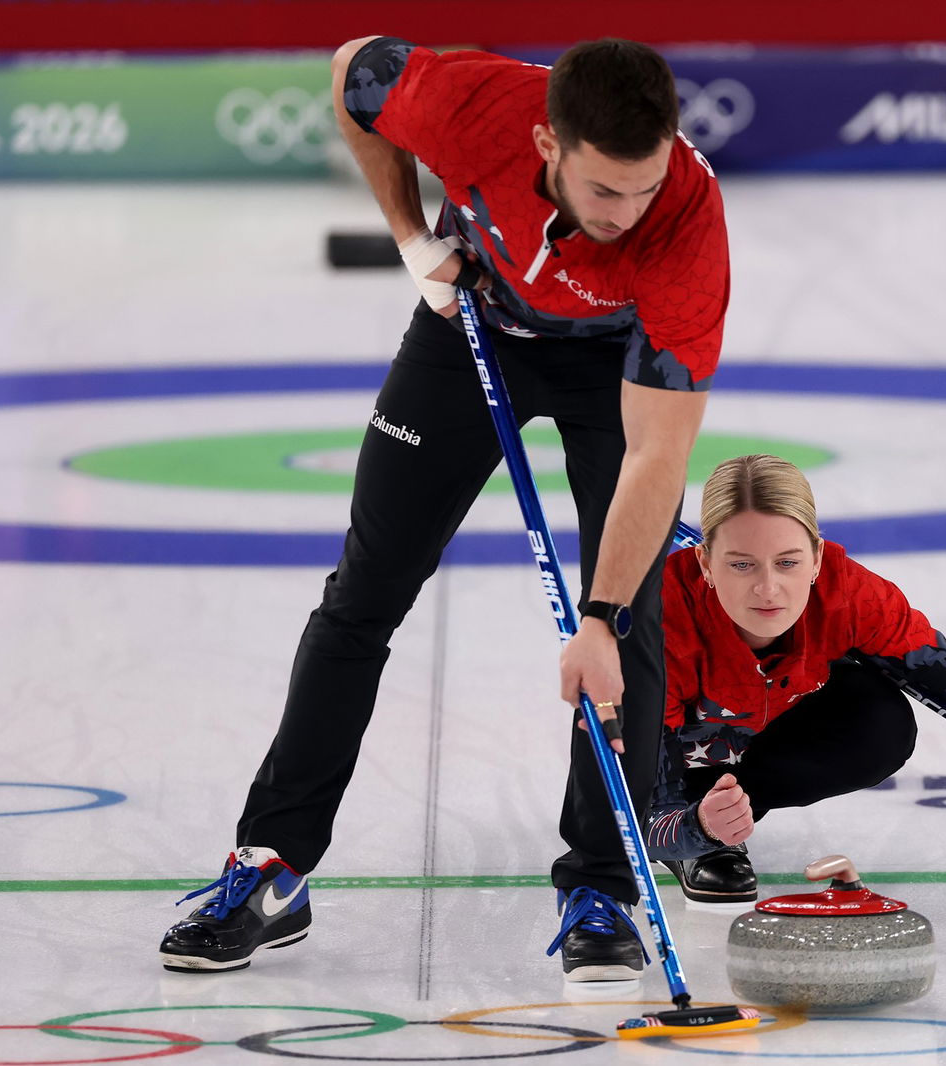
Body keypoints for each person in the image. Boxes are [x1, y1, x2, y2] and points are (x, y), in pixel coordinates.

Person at [159, 35, 728, 981]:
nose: (628, 216)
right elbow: (352, 73)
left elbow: (658, 455)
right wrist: (414, 237)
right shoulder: (470, 104)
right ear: (547, 145)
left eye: (645, 187)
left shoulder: (685, 224)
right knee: (364, 596)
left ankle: (602, 886)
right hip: (473, 328)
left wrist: (599, 614)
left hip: (611, 367)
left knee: (631, 627)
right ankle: (273, 863)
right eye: (603, 194)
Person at [646, 455, 946, 902]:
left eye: (788, 562)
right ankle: (710, 820)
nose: (768, 587)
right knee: (664, 800)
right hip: (668, 766)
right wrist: (696, 830)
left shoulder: (847, 594)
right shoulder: (657, 628)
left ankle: (736, 805)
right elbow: (628, 813)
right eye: (741, 564)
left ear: (816, 557)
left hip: (761, 731)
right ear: (705, 563)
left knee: (879, 721)